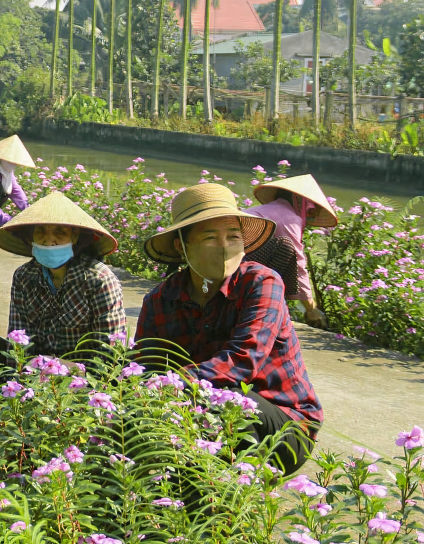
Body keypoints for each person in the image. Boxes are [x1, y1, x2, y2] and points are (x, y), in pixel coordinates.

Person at [135, 183, 322, 475]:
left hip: (283, 423)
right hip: (196, 407)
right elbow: (146, 364)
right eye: (210, 237)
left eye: (233, 236)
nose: (224, 246)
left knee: (234, 402)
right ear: (180, 245)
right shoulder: (161, 299)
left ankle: (231, 492)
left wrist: (173, 384)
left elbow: (243, 359)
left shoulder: (261, 282)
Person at [0, 192, 125, 400]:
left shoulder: (98, 279)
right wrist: (17, 389)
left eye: (60, 232)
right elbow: (18, 342)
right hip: (33, 374)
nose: (49, 239)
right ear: (30, 236)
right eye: (40, 231)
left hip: (83, 380)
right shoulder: (25, 276)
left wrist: (70, 370)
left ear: (75, 237)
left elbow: (110, 354)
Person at [247, 175, 338, 329]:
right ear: (302, 203)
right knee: (286, 250)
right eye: (310, 209)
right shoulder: (290, 218)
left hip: (235, 260)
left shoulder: (265, 210)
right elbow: (297, 264)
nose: (311, 214)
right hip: (239, 263)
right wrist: (311, 308)